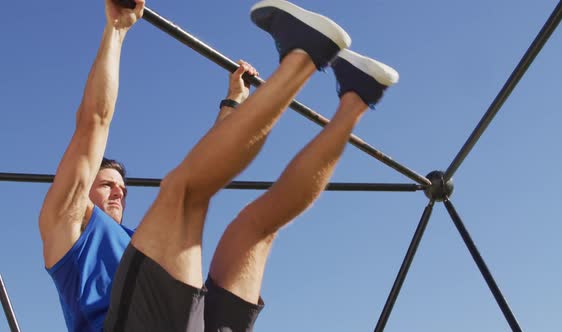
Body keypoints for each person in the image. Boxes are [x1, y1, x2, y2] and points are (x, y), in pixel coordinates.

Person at [39, 0, 399, 332]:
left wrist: (231, 102)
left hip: (189, 316)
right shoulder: (66, 223)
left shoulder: (139, 243)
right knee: (180, 192)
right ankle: (303, 55)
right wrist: (115, 31)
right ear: (83, 186)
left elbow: (208, 160)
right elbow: (94, 122)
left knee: (255, 229)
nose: (119, 190)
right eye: (107, 184)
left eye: (122, 187)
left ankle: (355, 97)